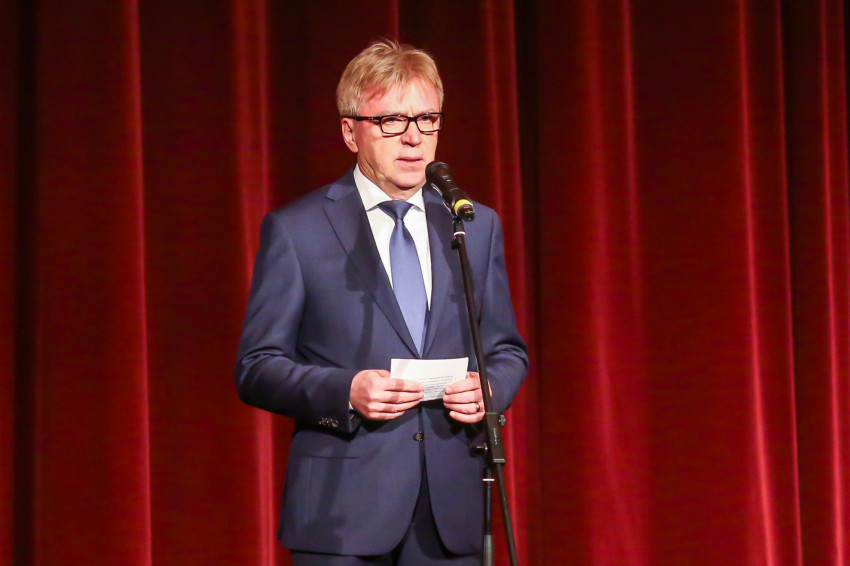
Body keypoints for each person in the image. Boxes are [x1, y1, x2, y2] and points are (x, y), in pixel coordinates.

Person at [235, 39, 528, 565]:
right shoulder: (298, 230)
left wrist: (490, 388)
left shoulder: (473, 225)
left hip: (449, 509)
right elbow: (257, 367)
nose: (413, 138)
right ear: (351, 132)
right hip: (343, 515)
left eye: (427, 119)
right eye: (391, 121)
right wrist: (346, 390)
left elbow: (506, 351)